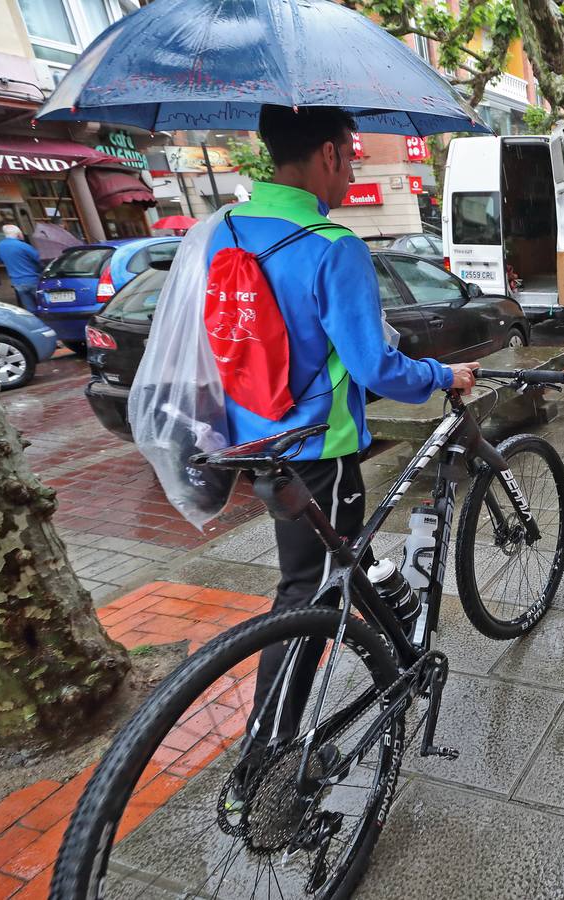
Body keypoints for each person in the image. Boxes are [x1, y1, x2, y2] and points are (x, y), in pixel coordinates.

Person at [205, 105, 478, 755]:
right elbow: (374, 367)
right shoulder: (334, 247)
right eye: (351, 155)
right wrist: (444, 374)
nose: (352, 167)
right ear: (328, 154)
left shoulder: (228, 228)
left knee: (339, 556)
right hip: (317, 449)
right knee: (306, 592)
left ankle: (401, 642)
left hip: (254, 438)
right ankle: (267, 751)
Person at [0, 225, 42, 314]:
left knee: (31, 310)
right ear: (18, 234)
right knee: (43, 306)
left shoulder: (0, 246)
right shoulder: (23, 246)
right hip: (33, 280)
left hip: (17, 282)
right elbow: (39, 259)